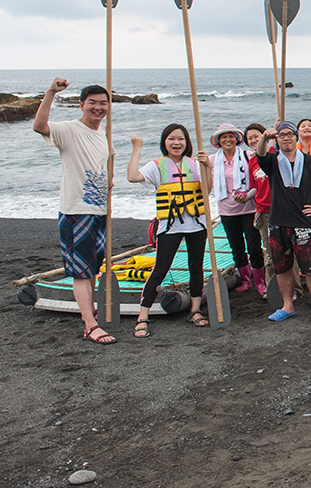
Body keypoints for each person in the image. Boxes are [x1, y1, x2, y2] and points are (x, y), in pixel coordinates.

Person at [33, 78, 115, 344]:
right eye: (92, 103)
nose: (98, 107)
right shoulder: (68, 129)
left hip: (99, 210)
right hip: (75, 210)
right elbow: (39, 126)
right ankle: (90, 325)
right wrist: (51, 92)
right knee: (81, 269)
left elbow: (108, 161)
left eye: (103, 103)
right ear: (81, 105)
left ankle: (88, 311)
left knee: (93, 267)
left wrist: (109, 182)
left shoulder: (103, 135)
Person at [126, 125, 212, 335]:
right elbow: (132, 177)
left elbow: (207, 190)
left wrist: (207, 167)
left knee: (196, 267)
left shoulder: (194, 163)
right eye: (171, 139)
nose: (176, 143)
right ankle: (142, 315)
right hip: (169, 226)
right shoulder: (157, 165)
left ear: (187, 142)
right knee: (160, 269)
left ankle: (194, 310)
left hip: (196, 224)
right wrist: (137, 148)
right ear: (164, 142)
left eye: (181, 139)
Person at [257, 121, 311, 324]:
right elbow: (259, 154)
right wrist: (264, 138)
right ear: (277, 139)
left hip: (304, 223)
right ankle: (287, 305)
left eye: (290, 134)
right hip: (278, 222)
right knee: (282, 268)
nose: (286, 137)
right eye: (282, 135)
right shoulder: (273, 161)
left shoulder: (310, 162)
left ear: (296, 138)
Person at [208, 123, 261, 294]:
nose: (228, 139)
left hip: (249, 208)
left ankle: (260, 282)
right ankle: (245, 281)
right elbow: (205, 184)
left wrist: (247, 194)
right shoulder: (212, 161)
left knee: (254, 247)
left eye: (231, 136)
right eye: (224, 137)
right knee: (237, 247)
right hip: (227, 211)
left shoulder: (247, 155)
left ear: (237, 139)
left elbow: (259, 177)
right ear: (219, 141)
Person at [244, 123, 272, 295]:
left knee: (286, 252)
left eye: (257, 136)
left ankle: (294, 288)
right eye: (250, 138)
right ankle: (272, 288)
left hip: (281, 209)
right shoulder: (252, 162)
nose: (254, 140)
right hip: (263, 210)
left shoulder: (277, 155)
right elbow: (255, 187)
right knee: (268, 254)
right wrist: (244, 196)